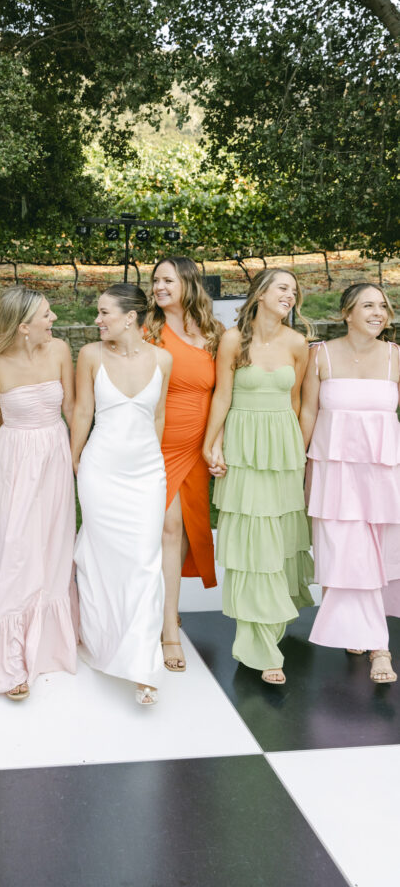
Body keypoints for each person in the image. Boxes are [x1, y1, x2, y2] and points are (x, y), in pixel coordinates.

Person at [202, 268, 314, 685]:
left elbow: (298, 400)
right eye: (283, 287)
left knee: (280, 542)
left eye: (294, 290)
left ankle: (272, 630)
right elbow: (223, 395)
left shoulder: (298, 344)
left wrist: (299, 452)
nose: (291, 294)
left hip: (282, 451)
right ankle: (259, 646)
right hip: (244, 449)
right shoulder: (234, 340)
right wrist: (211, 444)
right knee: (253, 546)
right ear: (261, 293)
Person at [0, 287, 77, 701]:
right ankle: (8, 658)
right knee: (15, 551)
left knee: (52, 547)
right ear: (23, 325)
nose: (53, 321)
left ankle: (49, 644)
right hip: (15, 459)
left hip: (55, 455)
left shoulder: (61, 351)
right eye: (46, 316)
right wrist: (7, 472)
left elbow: (72, 409)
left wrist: (76, 459)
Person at [71, 283, 172, 705]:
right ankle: (102, 642)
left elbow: (159, 415)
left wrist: (153, 464)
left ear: (131, 317)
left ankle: (144, 664)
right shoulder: (90, 356)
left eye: (104, 313)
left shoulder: (163, 359)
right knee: (100, 558)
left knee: (146, 562)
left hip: (146, 473)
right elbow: (81, 411)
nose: (98, 321)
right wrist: (73, 462)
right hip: (100, 470)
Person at [299, 283, 400, 684]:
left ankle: (372, 639)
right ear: (346, 313)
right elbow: (308, 411)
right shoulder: (319, 355)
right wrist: (296, 462)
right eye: (368, 305)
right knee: (346, 554)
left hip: (382, 474)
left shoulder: (396, 357)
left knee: (375, 556)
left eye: (384, 306)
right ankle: (376, 644)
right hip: (334, 472)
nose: (379, 313)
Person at [146, 256, 223, 673]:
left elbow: (224, 395)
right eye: (155, 280)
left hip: (196, 449)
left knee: (186, 532)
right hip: (156, 447)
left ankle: (168, 611)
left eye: (167, 279)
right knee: (168, 528)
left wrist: (217, 443)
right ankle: (168, 629)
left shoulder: (213, 333)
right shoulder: (147, 331)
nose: (158, 286)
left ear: (188, 283)